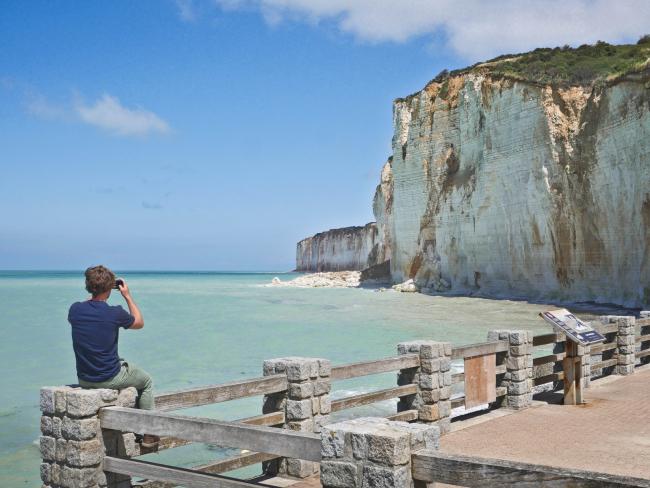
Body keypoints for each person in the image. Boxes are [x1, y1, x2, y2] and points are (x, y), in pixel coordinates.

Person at [68, 265, 159, 448]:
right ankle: (150, 433)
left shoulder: (75, 310)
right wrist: (127, 295)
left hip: (84, 379)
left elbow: (90, 310)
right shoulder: (115, 313)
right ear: (111, 288)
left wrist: (95, 296)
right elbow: (139, 322)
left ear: (88, 286)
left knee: (120, 360)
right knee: (147, 381)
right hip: (108, 378)